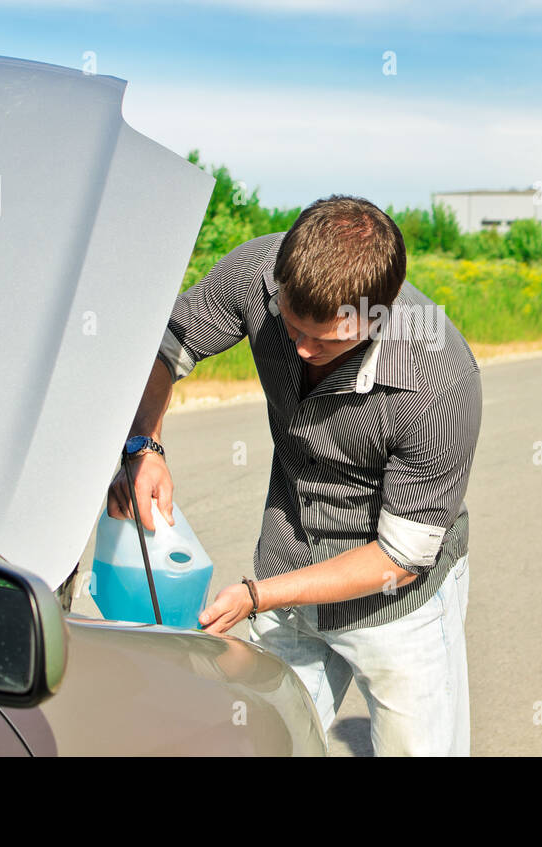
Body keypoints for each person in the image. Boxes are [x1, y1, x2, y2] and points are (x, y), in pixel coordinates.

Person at [110, 194, 482, 756]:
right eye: (290, 326)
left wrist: (256, 597)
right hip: (287, 567)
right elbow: (169, 345)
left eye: (327, 339)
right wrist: (144, 444)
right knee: (262, 744)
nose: (302, 348)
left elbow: (400, 559)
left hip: (393, 605)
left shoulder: (439, 381)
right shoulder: (258, 273)